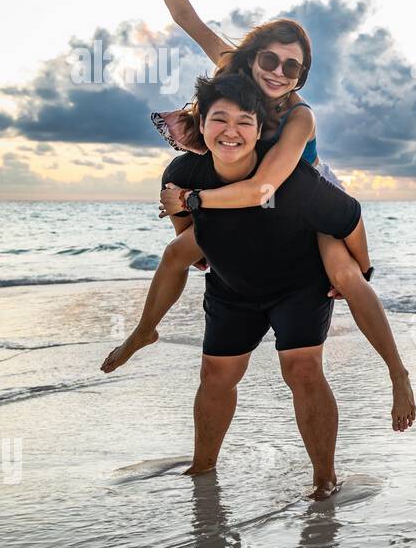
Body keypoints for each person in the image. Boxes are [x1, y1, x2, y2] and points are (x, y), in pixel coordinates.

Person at [102, 0, 415, 435]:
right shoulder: (231, 67)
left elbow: (268, 188)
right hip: (248, 181)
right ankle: (144, 330)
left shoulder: (298, 116)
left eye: (292, 67)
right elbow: (185, 17)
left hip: (301, 187)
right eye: (270, 59)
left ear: (300, 76)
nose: (278, 72)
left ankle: (397, 373)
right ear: (251, 55)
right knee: (182, 248)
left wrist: (195, 199)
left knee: (344, 273)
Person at [163, 71, 392, 500]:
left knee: (303, 370)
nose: (231, 131)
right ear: (201, 123)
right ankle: (202, 466)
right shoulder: (183, 171)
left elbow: (349, 216)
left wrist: (361, 270)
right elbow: (191, 248)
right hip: (236, 284)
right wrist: (191, 215)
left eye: (243, 122)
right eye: (219, 120)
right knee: (215, 375)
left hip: (298, 277)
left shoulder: (296, 175)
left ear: (260, 127)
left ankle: (325, 478)